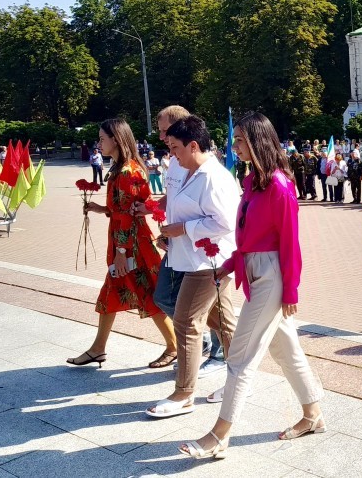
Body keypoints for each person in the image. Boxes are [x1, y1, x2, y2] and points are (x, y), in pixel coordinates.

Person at [180, 111, 325, 460]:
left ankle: (220, 434)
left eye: (241, 139)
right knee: (284, 349)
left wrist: (291, 290)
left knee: (241, 357)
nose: (234, 145)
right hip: (254, 270)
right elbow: (247, 235)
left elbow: (290, 242)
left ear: (258, 141)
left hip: (273, 275)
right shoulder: (253, 181)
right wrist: (230, 264)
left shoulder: (279, 185)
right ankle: (313, 415)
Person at [146, 116, 239, 419]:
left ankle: (184, 393)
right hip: (190, 257)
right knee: (222, 322)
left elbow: (224, 222)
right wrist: (171, 237)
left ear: (194, 145)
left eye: (175, 149)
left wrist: (183, 230)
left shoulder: (214, 176)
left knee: (186, 322)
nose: (172, 155)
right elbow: (182, 210)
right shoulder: (191, 169)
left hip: (209, 261)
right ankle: (240, 380)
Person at [67, 119, 176, 369]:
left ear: (115, 139)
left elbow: (128, 214)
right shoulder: (122, 168)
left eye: (102, 138)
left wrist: (120, 252)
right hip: (126, 240)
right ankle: (98, 349)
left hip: (131, 245)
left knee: (148, 293)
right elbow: (123, 208)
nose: (99, 143)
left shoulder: (127, 171)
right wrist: (100, 208)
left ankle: (174, 345)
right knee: (110, 294)